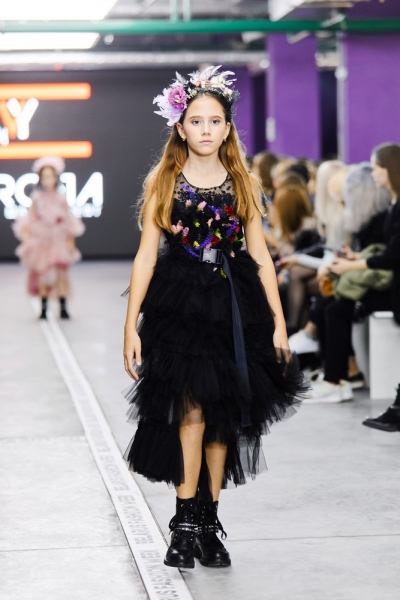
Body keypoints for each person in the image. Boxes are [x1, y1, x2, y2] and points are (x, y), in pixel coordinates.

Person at [122, 66, 307, 570]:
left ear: (228, 129)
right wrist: (129, 326)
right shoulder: (164, 182)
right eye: (196, 121)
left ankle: (208, 521)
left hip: (233, 301)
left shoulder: (244, 182)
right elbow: (146, 256)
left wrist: (279, 322)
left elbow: (261, 255)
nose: (206, 129)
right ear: (180, 128)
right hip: (179, 304)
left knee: (222, 414)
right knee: (190, 412)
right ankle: (184, 522)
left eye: (215, 121)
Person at [308, 142, 400, 403]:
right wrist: (355, 258)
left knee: (336, 308)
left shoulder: (393, 210)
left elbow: (391, 257)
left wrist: (350, 265)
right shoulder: (392, 207)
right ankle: (338, 378)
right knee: (331, 306)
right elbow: (389, 251)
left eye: (376, 168)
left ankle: (336, 379)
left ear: (389, 169)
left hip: (392, 286)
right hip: (388, 281)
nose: (373, 173)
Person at [12, 156, 85, 319]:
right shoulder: (37, 197)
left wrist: (70, 241)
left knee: (61, 274)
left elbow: (68, 220)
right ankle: (44, 307)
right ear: (41, 178)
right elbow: (29, 219)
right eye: (45, 176)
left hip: (58, 240)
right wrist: (26, 239)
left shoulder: (61, 197)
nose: (48, 180)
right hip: (41, 241)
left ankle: (63, 306)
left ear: (56, 177)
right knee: (42, 273)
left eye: (50, 176)